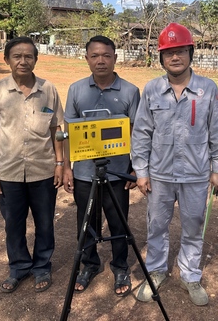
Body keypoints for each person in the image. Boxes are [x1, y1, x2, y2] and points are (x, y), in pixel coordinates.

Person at [131, 23, 218, 306]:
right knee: (156, 226)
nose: (175, 57)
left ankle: (190, 274)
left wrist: (217, 169)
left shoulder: (207, 89)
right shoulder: (152, 89)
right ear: (161, 58)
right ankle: (156, 271)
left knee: (193, 227)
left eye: (180, 51)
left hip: (195, 175)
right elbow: (142, 132)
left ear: (190, 53)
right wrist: (141, 172)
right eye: (168, 53)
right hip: (159, 175)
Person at [0, 36, 64, 294]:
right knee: (13, 224)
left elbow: (56, 130)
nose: (23, 61)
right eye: (17, 56)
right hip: (9, 172)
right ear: (6, 59)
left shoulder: (48, 90)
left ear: (36, 60)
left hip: (43, 170)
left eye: (29, 56)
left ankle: (42, 267)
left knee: (45, 223)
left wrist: (60, 164)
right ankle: (18, 267)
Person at [62, 35, 140, 297]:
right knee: (86, 221)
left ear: (115, 58)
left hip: (117, 173)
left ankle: (120, 266)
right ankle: (89, 264)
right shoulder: (76, 90)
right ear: (86, 59)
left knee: (118, 222)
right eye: (94, 56)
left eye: (106, 55)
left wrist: (135, 168)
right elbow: (67, 131)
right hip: (84, 173)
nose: (101, 60)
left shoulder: (130, 91)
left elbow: (139, 132)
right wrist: (67, 167)